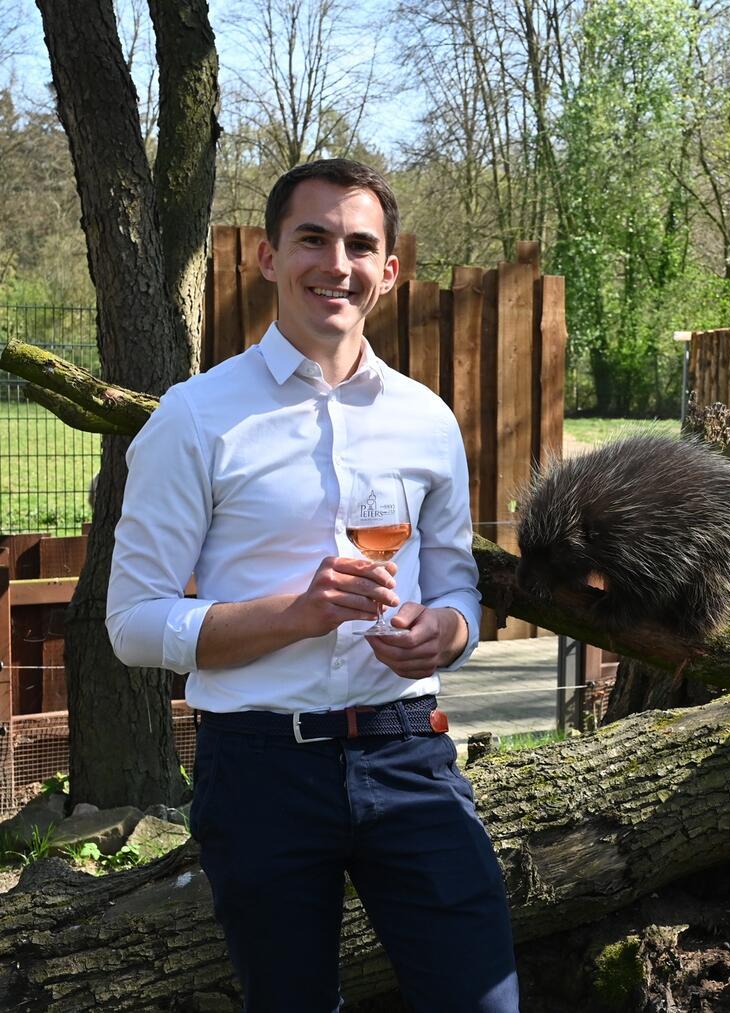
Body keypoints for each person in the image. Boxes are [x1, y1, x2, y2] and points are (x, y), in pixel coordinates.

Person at [107, 159, 519, 1012]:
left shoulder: (426, 419)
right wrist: (297, 615)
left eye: (360, 244)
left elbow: (458, 591)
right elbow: (133, 622)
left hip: (410, 749)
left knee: (481, 998)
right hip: (259, 767)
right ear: (267, 257)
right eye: (313, 238)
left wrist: (443, 635)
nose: (338, 263)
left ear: (390, 270)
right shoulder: (194, 417)